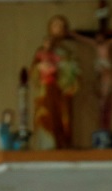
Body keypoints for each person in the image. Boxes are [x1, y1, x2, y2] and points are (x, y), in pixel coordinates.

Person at [30, 15, 80, 150]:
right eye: (56, 25)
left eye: (62, 26)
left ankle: (61, 144)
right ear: (50, 28)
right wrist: (40, 68)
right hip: (46, 90)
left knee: (61, 118)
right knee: (45, 116)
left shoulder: (67, 53)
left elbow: (74, 76)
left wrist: (65, 73)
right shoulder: (41, 52)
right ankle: (45, 145)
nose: (59, 29)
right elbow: (33, 72)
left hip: (61, 93)